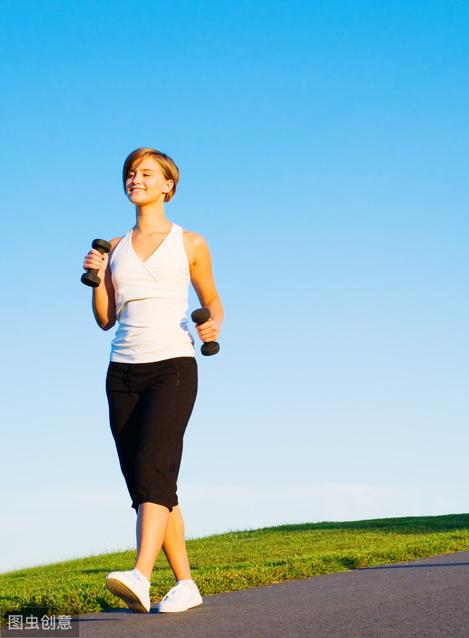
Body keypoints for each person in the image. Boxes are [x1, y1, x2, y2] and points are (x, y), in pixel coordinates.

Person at [82, 147, 224, 614]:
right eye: (130, 173)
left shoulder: (190, 243)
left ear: (168, 185)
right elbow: (105, 319)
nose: (135, 179)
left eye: (145, 173)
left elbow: (213, 303)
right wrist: (98, 277)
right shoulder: (116, 247)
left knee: (154, 470)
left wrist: (211, 325)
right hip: (121, 370)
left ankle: (141, 575)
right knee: (148, 482)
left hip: (173, 366)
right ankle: (185, 583)